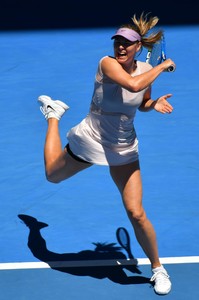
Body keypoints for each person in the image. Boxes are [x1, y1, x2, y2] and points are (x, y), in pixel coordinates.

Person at [37, 12, 175, 295]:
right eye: (117, 42)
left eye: (126, 43)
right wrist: (162, 68)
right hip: (92, 140)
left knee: (136, 213)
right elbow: (133, 85)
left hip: (123, 146)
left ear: (139, 47)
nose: (120, 47)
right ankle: (54, 116)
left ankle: (158, 269)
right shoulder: (107, 64)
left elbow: (142, 99)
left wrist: (154, 104)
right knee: (52, 175)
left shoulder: (145, 71)